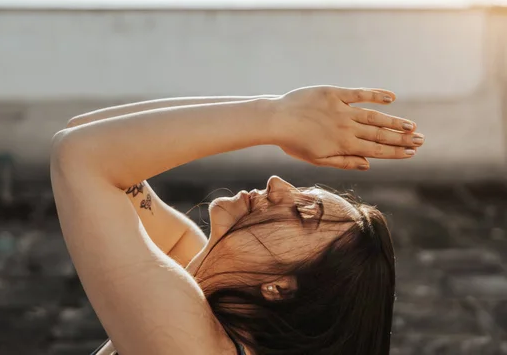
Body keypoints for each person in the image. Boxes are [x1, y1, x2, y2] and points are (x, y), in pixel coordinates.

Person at [51, 86, 425, 355]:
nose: (279, 185)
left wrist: (277, 118)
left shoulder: (196, 347)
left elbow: (81, 154)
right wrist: (281, 110)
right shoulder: (195, 273)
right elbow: (87, 129)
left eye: (304, 212)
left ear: (280, 288)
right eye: (301, 193)